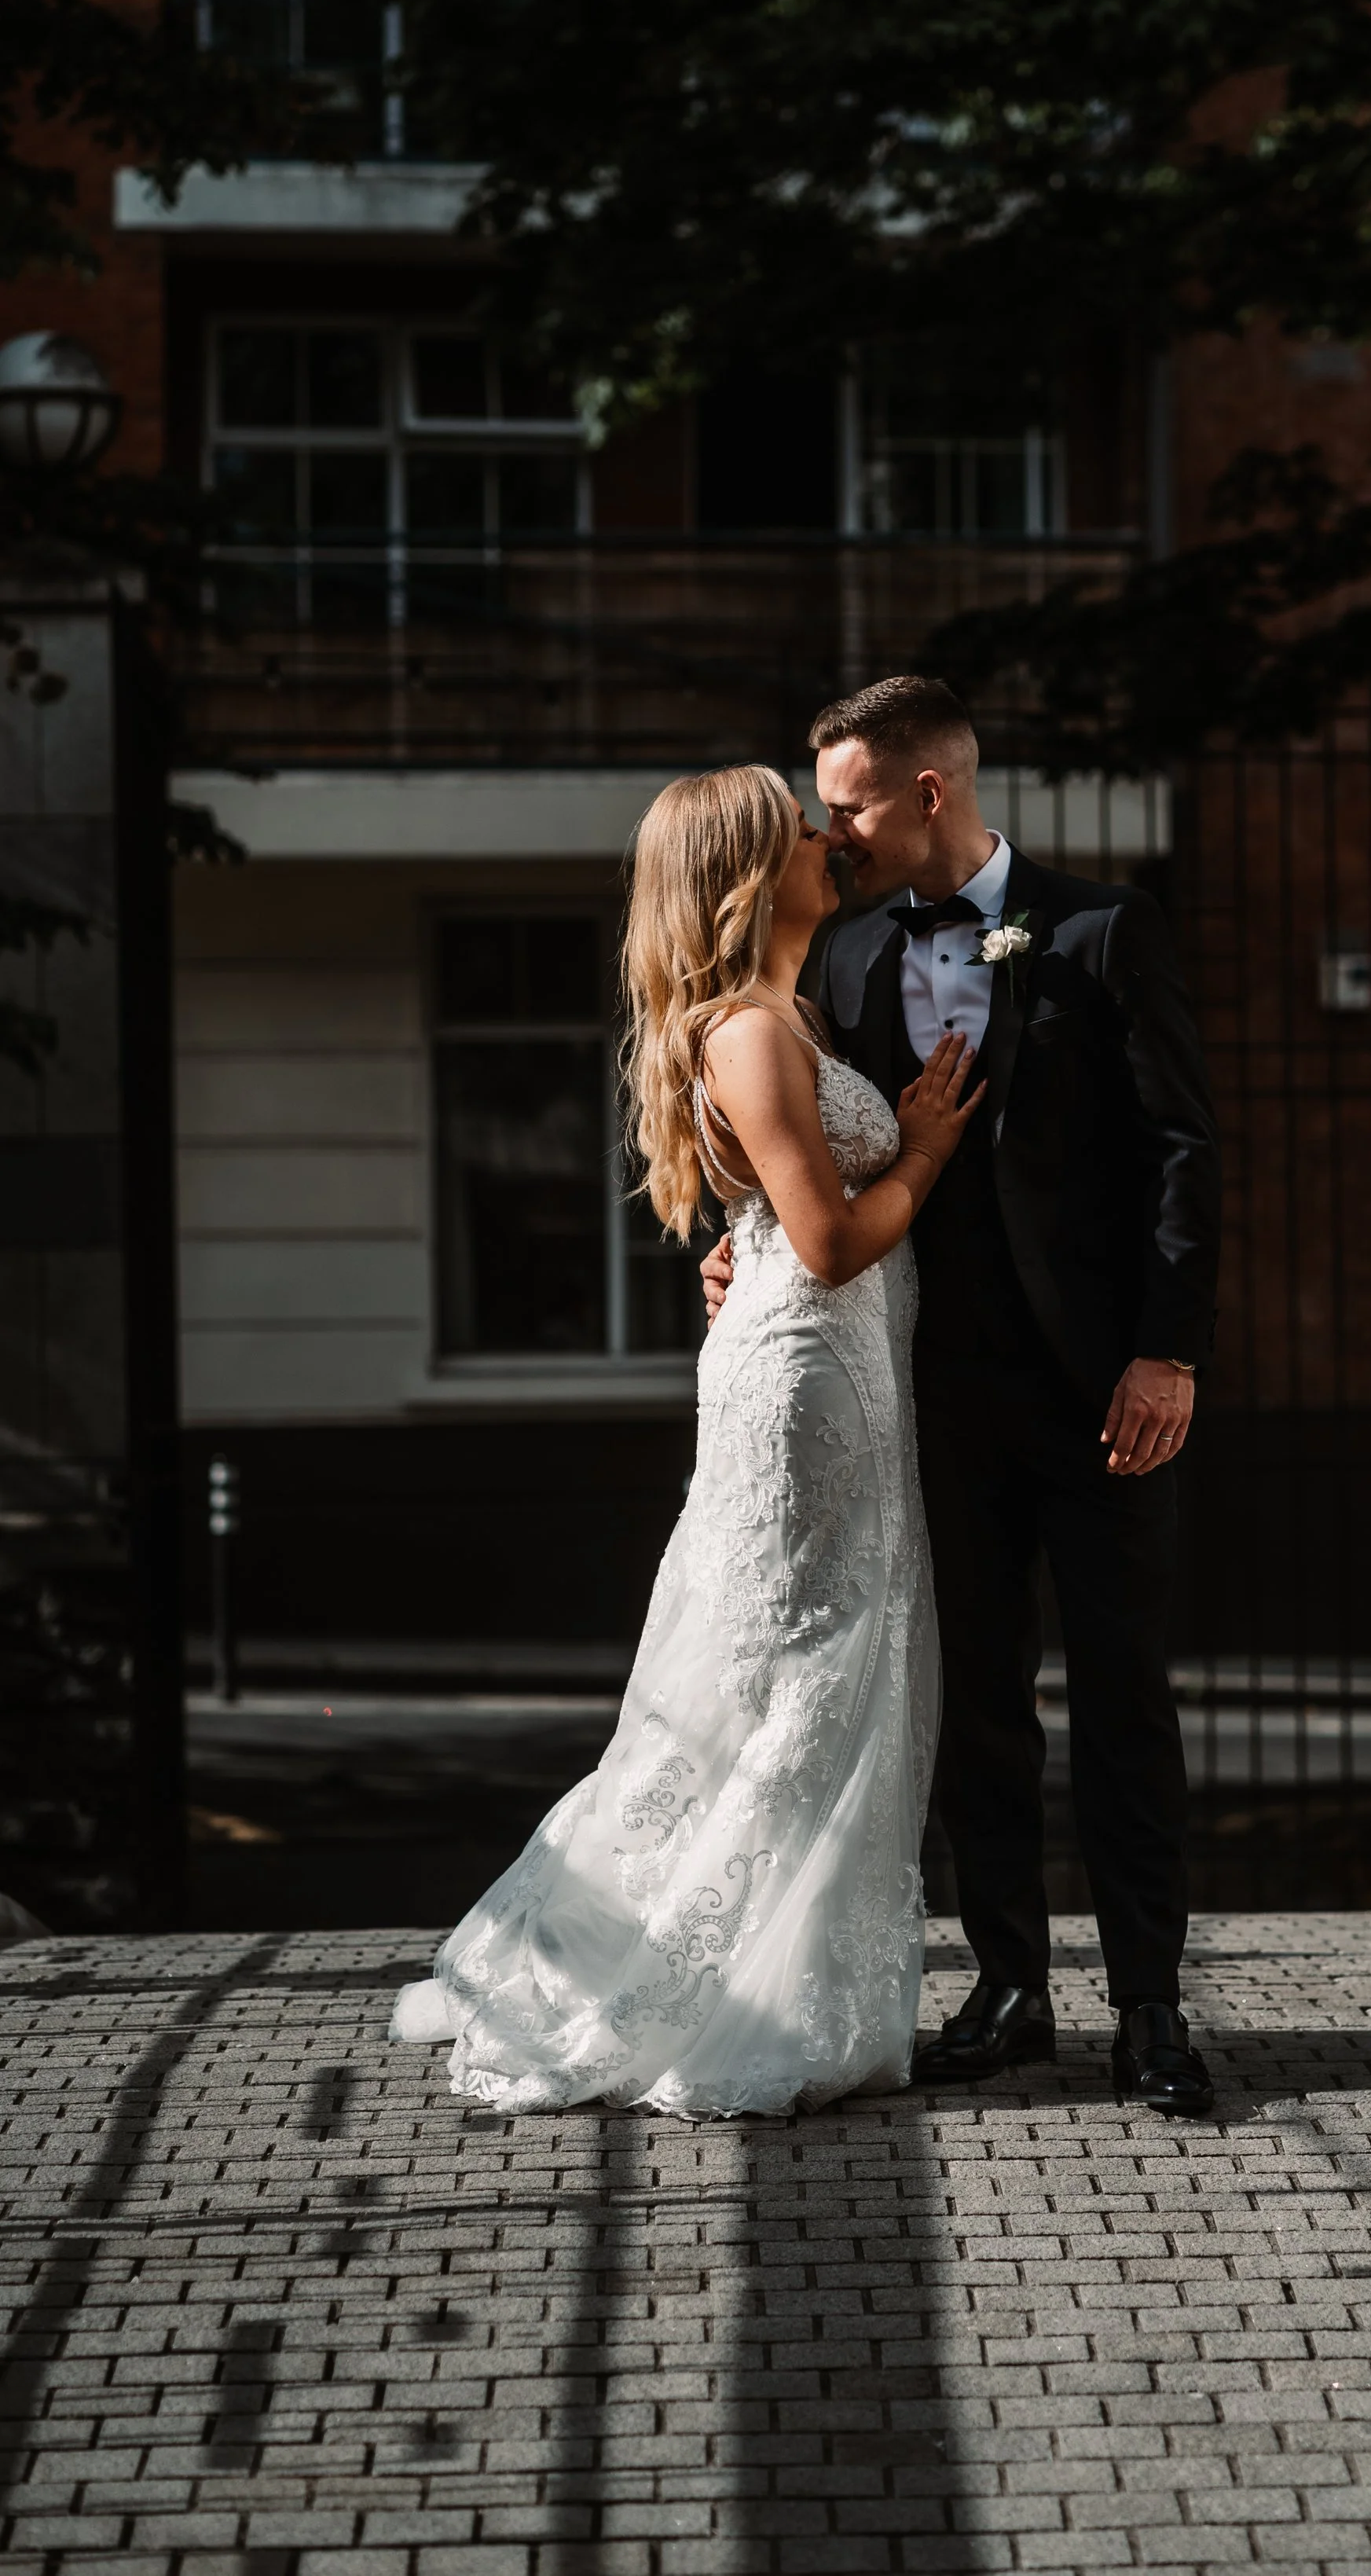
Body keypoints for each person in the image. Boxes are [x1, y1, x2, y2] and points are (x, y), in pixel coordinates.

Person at [391, 764, 979, 2116]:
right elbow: (828, 1242)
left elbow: (777, 1220)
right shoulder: (749, 1031)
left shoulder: (800, 1014)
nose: (829, 841)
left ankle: (782, 1972)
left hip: (844, 1370)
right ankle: (705, 1984)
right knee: (788, 1670)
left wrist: (754, 1238)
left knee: (814, 1663)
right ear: (747, 870)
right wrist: (928, 1150)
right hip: (806, 1380)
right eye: (800, 830)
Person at [703, 677, 1222, 2116]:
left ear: (928, 792)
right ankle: (1008, 1989)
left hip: (1109, 1392)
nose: (832, 827)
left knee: (1126, 1699)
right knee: (974, 1702)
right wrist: (731, 1251)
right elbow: (787, 1129)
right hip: (923, 1388)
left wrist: (1167, 1350)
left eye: (851, 800)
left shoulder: (1101, 931)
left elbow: (1186, 1150)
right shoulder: (845, 950)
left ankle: (1153, 2009)